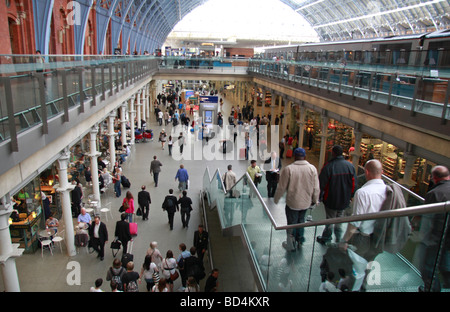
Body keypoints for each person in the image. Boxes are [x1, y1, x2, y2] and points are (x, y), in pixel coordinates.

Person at [339, 159, 386, 291]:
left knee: (355, 266)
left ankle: (353, 288)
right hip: (379, 238)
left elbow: (355, 221)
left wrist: (344, 240)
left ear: (366, 172)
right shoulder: (388, 191)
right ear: (382, 172)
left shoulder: (363, 193)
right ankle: (363, 286)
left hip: (363, 238)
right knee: (369, 263)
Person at [274, 148, 320, 251]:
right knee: (301, 220)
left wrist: (276, 199)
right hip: (305, 203)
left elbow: (281, 187)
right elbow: (316, 188)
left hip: (292, 203)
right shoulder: (312, 169)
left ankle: (291, 244)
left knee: (291, 223)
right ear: (305, 157)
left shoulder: (289, 169)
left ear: (294, 157)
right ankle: (300, 240)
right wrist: (315, 200)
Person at [417, 165, 450, 292]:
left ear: (434, 178)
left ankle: (431, 288)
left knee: (428, 268)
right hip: (447, 239)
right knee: (445, 263)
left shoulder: (434, 194)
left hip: (435, 238)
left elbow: (426, 217)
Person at [317, 145, 357, 245]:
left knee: (330, 219)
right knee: (340, 218)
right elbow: (354, 183)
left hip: (331, 199)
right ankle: (339, 238)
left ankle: (326, 238)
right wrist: (351, 196)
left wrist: (319, 197)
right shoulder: (350, 166)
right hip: (344, 199)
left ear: (333, 153)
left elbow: (321, 184)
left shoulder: (328, 166)